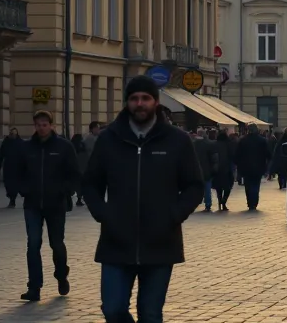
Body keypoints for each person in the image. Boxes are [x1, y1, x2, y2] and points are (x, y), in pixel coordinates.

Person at [81, 75, 204, 323]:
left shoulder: (176, 140)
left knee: (150, 314)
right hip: (116, 241)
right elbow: (90, 183)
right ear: (127, 102)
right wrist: (103, 214)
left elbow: (194, 186)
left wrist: (174, 215)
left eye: (145, 98)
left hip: (160, 242)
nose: (140, 104)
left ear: (156, 102)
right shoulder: (109, 139)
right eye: (134, 98)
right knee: (113, 309)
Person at [15, 110, 80, 302]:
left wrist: (65, 190)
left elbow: (74, 174)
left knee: (56, 244)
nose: (41, 128)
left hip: (56, 204)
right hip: (32, 204)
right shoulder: (27, 148)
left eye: (45, 124)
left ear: (51, 126)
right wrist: (23, 189)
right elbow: (17, 171)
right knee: (33, 244)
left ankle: (61, 275)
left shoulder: (64, 147)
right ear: (34, 126)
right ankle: (34, 287)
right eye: (38, 125)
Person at [234, 123, 270, 211]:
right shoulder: (262, 140)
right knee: (256, 185)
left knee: (248, 185)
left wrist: (238, 165)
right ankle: (254, 202)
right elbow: (268, 154)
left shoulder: (243, 140)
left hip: (246, 167)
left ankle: (250, 202)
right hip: (259, 166)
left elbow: (238, 154)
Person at [0, 128, 26, 208]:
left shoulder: (21, 143)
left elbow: (25, 155)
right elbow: (1, 154)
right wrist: (0, 166)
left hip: (19, 167)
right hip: (8, 167)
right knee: (9, 185)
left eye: (14, 133)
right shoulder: (6, 142)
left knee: (20, 185)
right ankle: (12, 200)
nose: (13, 135)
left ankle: (25, 199)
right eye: (12, 133)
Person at [194, 129, 220, 212]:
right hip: (207, 170)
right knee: (207, 187)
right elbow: (214, 158)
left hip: (195, 170)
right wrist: (214, 167)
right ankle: (208, 204)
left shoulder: (192, 144)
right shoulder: (209, 144)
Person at [212, 130, 236, 210]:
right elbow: (232, 155)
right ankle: (224, 201)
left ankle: (220, 201)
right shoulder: (228, 144)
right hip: (227, 169)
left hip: (217, 169)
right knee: (228, 187)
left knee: (218, 188)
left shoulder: (214, 144)